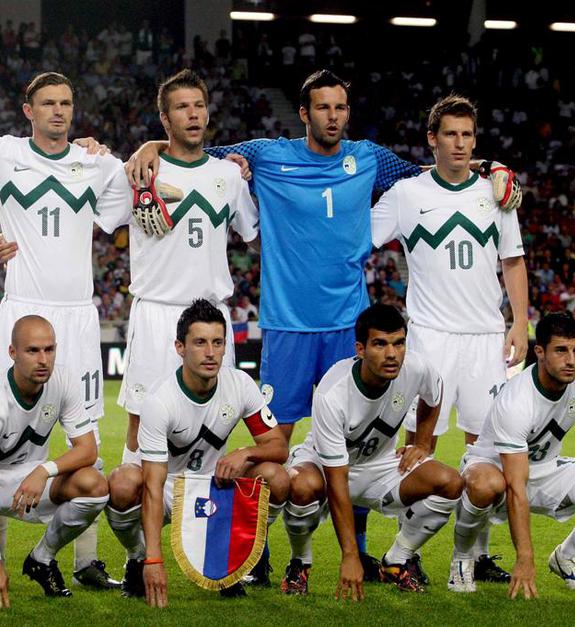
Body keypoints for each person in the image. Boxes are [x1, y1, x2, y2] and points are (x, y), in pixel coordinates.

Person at [126, 68, 520, 574]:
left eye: (340, 107)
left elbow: (432, 169)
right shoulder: (267, 155)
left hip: (348, 326)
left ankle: (359, 548)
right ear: (304, 113)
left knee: (359, 444)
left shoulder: (369, 158)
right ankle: (258, 551)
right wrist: (151, 146)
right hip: (288, 326)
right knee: (274, 441)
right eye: (323, 107)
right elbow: (198, 150)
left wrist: (491, 166)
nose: (333, 116)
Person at [0, 72, 132, 588]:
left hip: (78, 314)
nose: (58, 111)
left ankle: (82, 562)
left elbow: (142, 178)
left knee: (88, 438)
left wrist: (141, 147)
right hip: (22, 309)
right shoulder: (0, 152)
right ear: (28, 110)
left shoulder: (97, 163)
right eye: (48, 103)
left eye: (66, 102)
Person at [370, 94, 528, 584]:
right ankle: (405, 551)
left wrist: (519, 322)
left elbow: (513, 261)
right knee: (420, 447)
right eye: (450, 134)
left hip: (486, 338)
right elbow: (360, 241)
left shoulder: (496, 194)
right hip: (430, 338)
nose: (459, 143)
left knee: (488, 452)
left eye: (467, 135)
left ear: (475, 142)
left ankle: (478, 554)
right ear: (432, 140)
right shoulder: (406, 195)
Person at [115, 67, 262, 567]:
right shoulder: (140, 172)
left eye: (199, 105)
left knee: (216, 427)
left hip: (211, 320)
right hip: (157, 315)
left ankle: (216, 545)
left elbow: (252, 233)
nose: (193, 114)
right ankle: (139, 557)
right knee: (139, 432)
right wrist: (146, 149)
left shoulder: (228, 176)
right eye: (182, 107)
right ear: (165, 117)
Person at [106, 299, 289, 606]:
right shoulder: (160, 401)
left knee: (277, 477)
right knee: (122, 483)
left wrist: (246, 453)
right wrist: (154, 559)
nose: (210, 352)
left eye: (218, 342)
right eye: (200, 342)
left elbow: (278, 446)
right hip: (167, 487)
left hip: (215, 483)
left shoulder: (240, 384)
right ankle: (136, 558)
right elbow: (152, 485)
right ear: (180, 347)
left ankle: (236, 557)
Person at [448, 312, 575, 597]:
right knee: (485, 484)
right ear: (540, 352)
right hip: (496, 470)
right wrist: (525, 557)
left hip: (545, 469)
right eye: (561, 350)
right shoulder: (517, 401)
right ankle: (462, 559)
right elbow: (516, 487)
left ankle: (567, 556)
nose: (571, 360)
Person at [283, 304, 462, 598]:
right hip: (326, 469)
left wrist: (422, 443)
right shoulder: (332, 394)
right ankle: (299, 562)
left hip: (381, 467)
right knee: (301, 486)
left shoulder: (417, 368)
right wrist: (350, 554)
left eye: (399, 343)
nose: (392, 354)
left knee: (450, 482)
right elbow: (338, 480)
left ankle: (397, 560)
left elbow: (434, 393)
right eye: (380, 344)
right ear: (360, 349)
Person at [0, 316, 109, 602]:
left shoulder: (63, 380)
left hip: (30, 478)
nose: (43, 360)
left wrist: (44, 470)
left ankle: (42, 559)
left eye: (49, 349)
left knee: (95, 484)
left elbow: (88, 449)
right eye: (32, 351)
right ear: (12, 353)